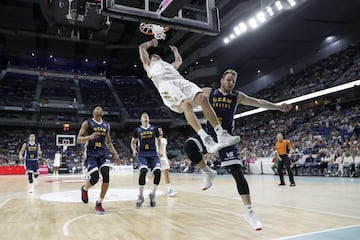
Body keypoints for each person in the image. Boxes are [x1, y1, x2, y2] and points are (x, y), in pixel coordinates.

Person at [183, 69, 292, 231]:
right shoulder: (208, 92)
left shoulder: (237, 96)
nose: (231, 83)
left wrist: (277, 106)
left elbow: (259, 102)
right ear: (221, 80)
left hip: (226, 137)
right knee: (188, 147)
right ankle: (207, 171)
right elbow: (188, 101)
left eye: (233, 81)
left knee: (237, 173)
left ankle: (249, 212)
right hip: (209, 134)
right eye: (228, 80)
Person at [138, 39, 240, 154]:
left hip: (180, 81)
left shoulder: (168, 66)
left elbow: (179, 62)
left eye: (157, 56)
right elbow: (141, 48)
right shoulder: (149, 66)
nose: (156, 56)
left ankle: (221, 134)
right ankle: (206, 140)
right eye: (154, 56)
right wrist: (151, 43)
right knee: (185, 104)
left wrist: (176, 51)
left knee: (203, 98)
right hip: (165, 84)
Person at [77, 104, 121, 214]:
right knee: (95, 178)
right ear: (93, 112)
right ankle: (85, 189)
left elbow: (108, 142)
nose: (99, 109)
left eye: (100, 109)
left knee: (106, 175)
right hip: (91, 153)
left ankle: (99, 203)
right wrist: (89, 137)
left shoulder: (106, 125)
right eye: (97, 108)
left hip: (102, 153)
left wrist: (115, 155)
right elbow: (78, 139)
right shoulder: (87, 123)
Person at [131, 112, 162, 207]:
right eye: (143, 117)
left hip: (153, 154)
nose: (145, 118)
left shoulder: (154, 129)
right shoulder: (137, 130)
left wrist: (160, 151)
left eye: (147, 117)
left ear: (149, 119)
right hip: (142, 154)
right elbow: (133, 142)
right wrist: (134, 150)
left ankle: (152, 194)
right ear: (141, 120)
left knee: (158, 172)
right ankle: (140, 196)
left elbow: (159, 140)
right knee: (143, 171)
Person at [158, 127, 176, 197]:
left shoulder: (165, 140)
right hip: (156, 157)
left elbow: (164, 151)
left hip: (164, 158)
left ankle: (169, 190)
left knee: (166, 174)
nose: (160, 131)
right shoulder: (154, 140)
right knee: (154, 174)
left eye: (161, 130)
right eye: (159, 130)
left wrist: (167, 158)